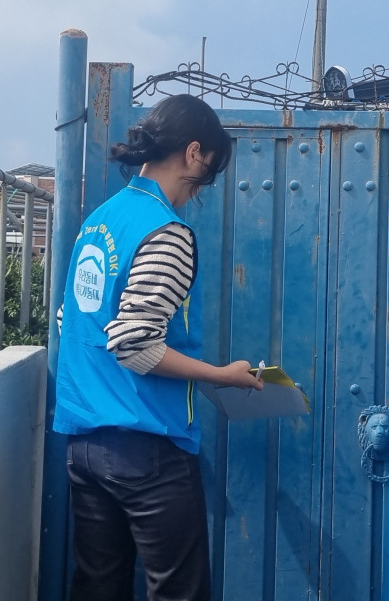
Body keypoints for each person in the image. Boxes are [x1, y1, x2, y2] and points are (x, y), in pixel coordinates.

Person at [55, 94, 261, 601]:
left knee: (97, 586)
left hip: (84, 444)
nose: (202, 186)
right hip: (145, 445)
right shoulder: (166, 231)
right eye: (209, 169)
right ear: (194, 152)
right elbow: (135, 346)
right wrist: (222, 376)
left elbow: (69, 319)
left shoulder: (99, 221)